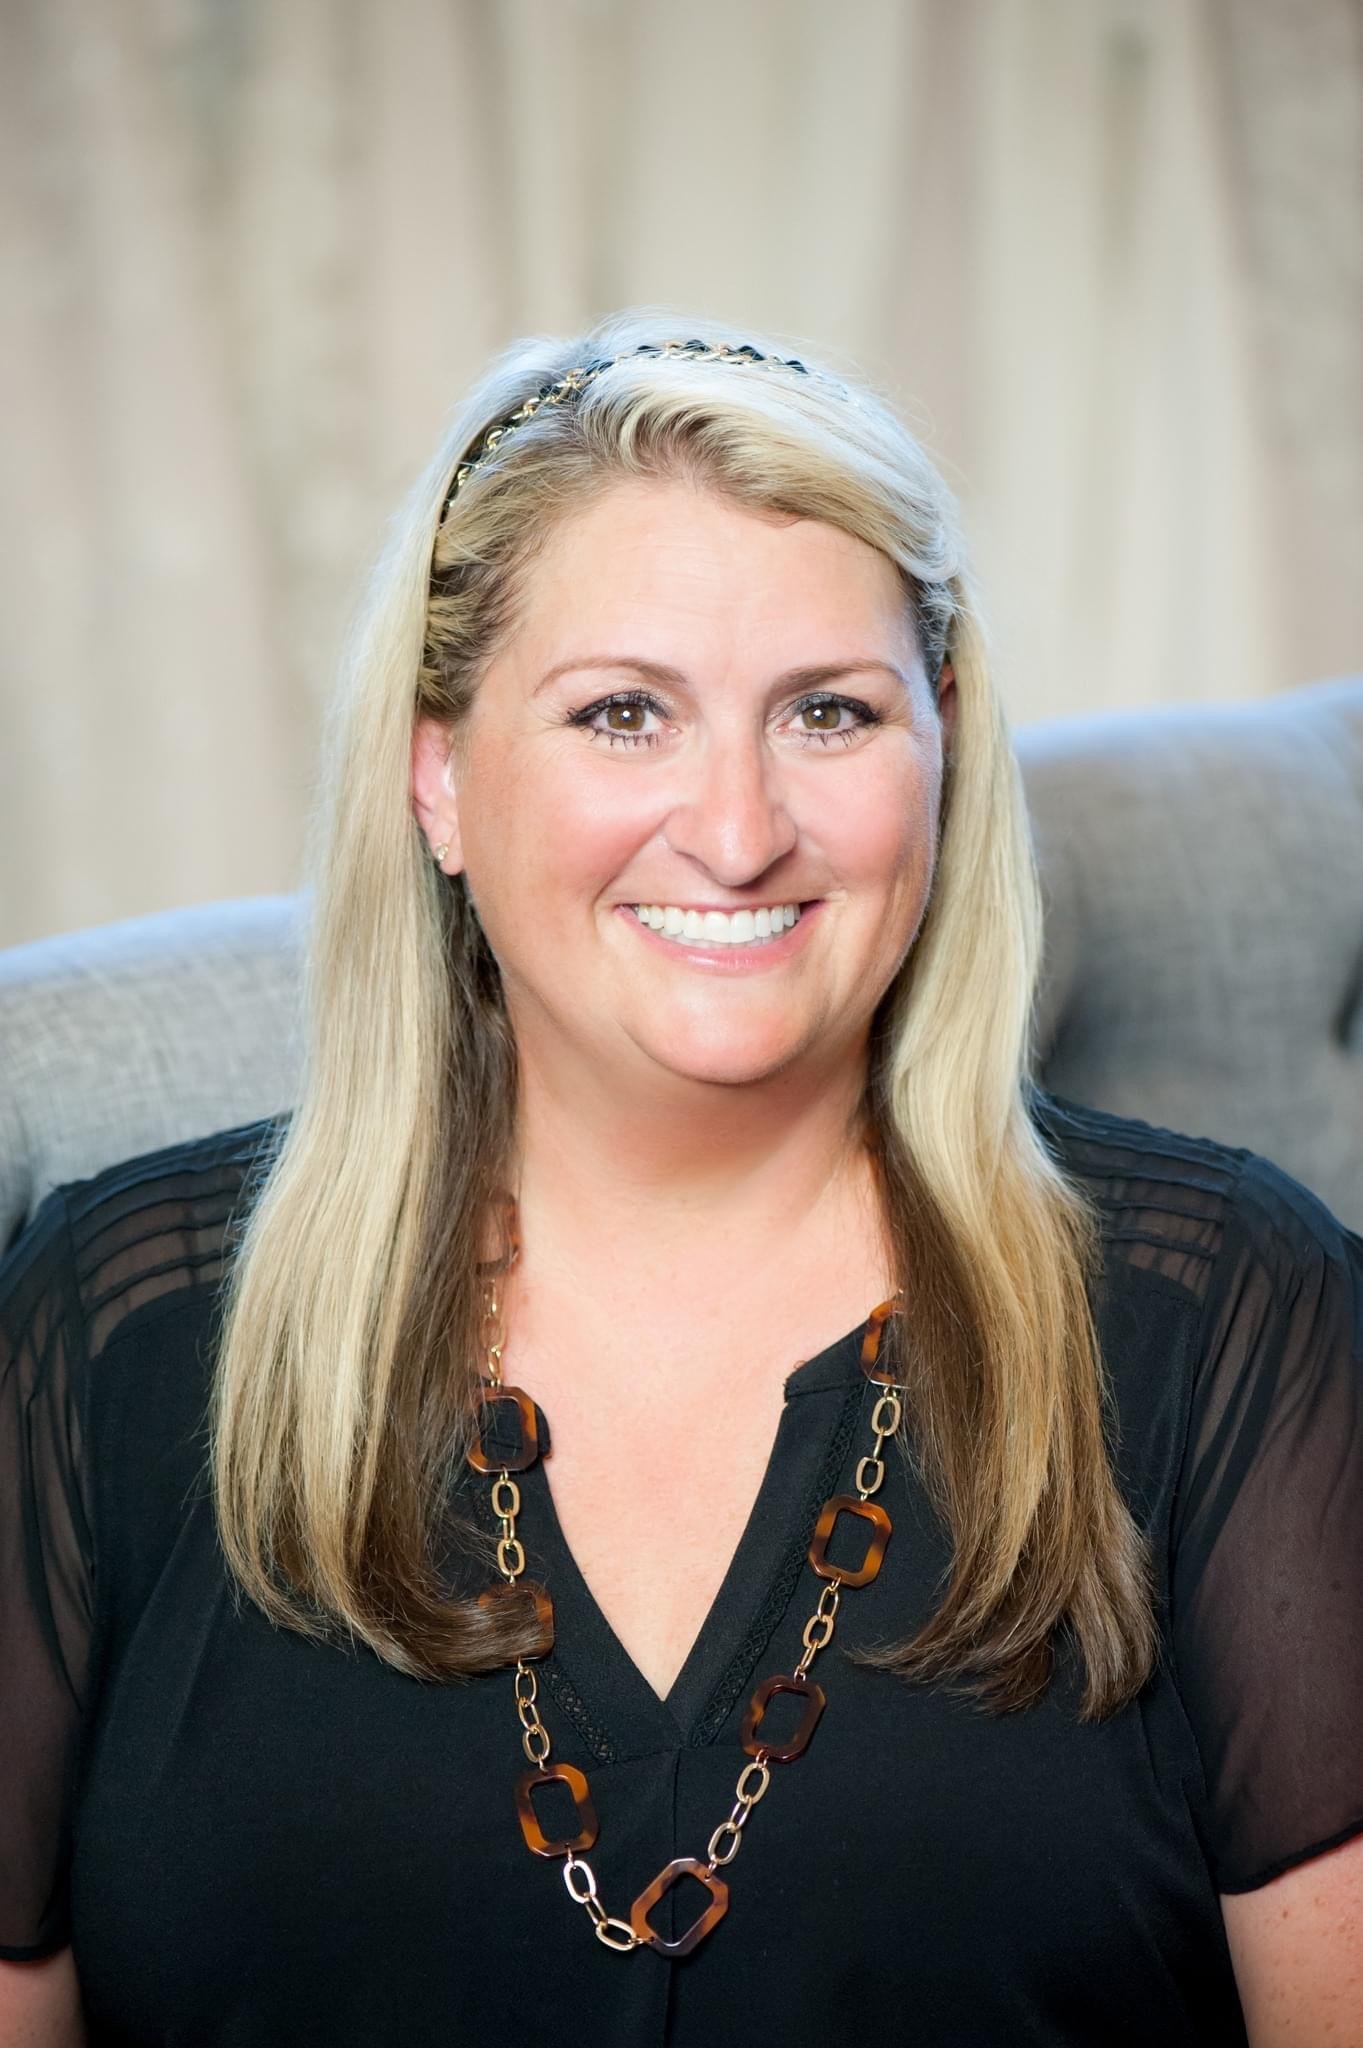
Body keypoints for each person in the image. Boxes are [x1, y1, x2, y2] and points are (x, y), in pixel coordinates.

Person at [1, 312, 1360, 2047]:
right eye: (624, 714)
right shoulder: (107, 1330)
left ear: (940, 752)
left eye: (830, 713)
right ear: (439, 777)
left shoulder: (1233, 1314)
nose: (736, 830)